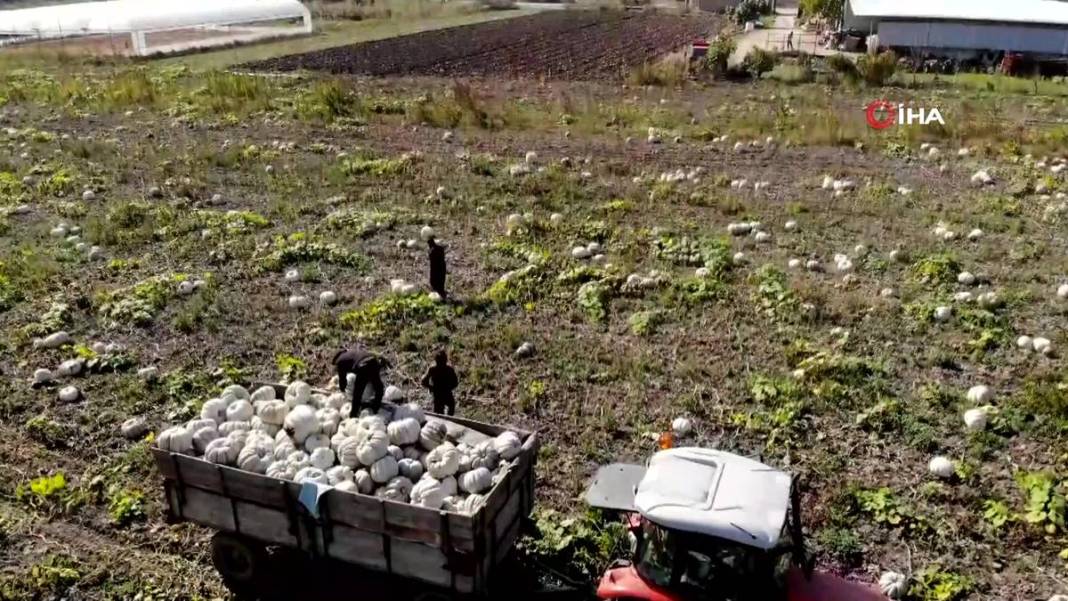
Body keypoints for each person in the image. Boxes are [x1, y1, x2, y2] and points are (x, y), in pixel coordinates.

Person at [333, 346, 387, 417]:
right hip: (373, 361)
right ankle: (375, 408)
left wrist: (342, 390)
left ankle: (353, 416)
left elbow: (342, 379)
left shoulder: (340, 361)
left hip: (363, 366)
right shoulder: (352, 352)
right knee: (378, 387)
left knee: (357, 393)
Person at [420, 349, 458, 416]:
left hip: (439, 393)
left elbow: (423, 381)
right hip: (443, 393)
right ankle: (449, 420)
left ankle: (448, 420)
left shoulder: (434, 369)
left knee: (440, 414)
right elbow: (455, 383)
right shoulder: (447, 370)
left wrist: (431, 388)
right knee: (447, 409)